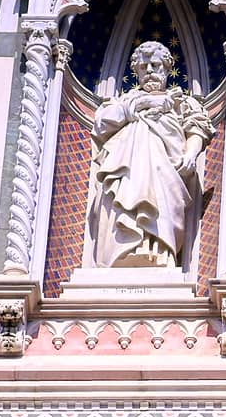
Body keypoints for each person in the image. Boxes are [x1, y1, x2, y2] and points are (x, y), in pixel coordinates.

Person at [89, 41, 214, 268]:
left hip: (164, 169)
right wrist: (143, 103)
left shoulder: (180, 101)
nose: (149, 71)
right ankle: (124, 248)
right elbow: (101, 125)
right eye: (143, 66)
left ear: (167, 68)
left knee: (159, 197)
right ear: (135, 72)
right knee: (123, 187)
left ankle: (158, 251)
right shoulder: (125, 101)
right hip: (127, 167)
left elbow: (198, 128)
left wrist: (190, 154)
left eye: (155, 65)